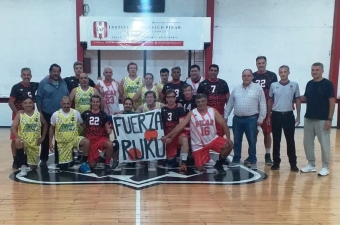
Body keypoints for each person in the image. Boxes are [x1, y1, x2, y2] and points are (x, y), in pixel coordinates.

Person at [161, 94, 234, 174]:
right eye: (198, 102)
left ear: (206, 101)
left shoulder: (212, 111)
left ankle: (219, 163)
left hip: (213, 140)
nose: (201, 103)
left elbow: (223, 123)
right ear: (196, 103)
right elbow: (180, 126)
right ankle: (201, 158)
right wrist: (167, 136)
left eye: (203, 101)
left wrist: (228, 138)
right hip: (198, 145)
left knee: (229, 145)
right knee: (200, 168)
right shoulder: (192, 113)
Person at [224, 69, 266, 170]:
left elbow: (263, 105)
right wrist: (225, 116)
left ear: (252, 77)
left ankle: (252, 159)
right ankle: (236, 158)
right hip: (237, 119)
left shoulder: (258, 89)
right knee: (237, 141)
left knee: (252, 141)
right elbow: (230, 104)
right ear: (242, 77)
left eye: (248, 76)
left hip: (251, 119)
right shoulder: (236, 89)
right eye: (244, 76)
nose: (246, 77)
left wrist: (261, 118)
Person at [300, 62, 335, 176]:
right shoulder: (309, 84)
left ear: (322, 71)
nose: (314, 72)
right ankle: (311, 164)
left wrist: (329, 119)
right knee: (307, 143)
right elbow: (305, 98)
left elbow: (332, 101)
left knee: (324, 143)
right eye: (312, 70)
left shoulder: (327, 84)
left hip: (323, 119)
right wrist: (294, 96)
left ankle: (325, 167)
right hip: (309, 118)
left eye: (317, 70)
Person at [268, 65, 300, 171]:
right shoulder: (273, 85)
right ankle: (276, 162)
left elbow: (298, 100)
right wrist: (269, 115)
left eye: (285, 71)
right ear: (279, 73)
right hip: (276, 115)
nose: (283, 74)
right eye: (281, 72)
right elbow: (270, 100)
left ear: (288, 72)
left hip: (288, 116)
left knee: (290, 140)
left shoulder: (294, 85)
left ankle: (293, 164)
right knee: (276, 140)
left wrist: (298, 116)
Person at [36, 64, 69, 168]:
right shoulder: (43, 83)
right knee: (45, 138)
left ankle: (59, 160)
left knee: (60, 138)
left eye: (58, 71)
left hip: (60, 115)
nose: (56, 73)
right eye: (54, 71)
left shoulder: (63, 83)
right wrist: (41, 113)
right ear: (50, 72)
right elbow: (38, 98)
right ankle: (44, 159)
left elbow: (66, 97)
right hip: (46, 114)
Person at [49, 96, 91, 172]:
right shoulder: (55, 115)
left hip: (74, 139)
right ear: (61, 103)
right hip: (63, 143)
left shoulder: (75, 113)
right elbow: (51, 128)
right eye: (64, 104)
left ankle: (84, 163)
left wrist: (89, 134)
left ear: (71, 103)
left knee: (86, 142)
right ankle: (70, 158)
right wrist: (50, 143)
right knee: (63, 167)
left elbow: (82, 125)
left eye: (68, 103)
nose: (66, 105)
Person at [8, 68, 39, 169]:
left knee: (30, 136)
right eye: (24, 75)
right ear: (21, 76)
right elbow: (11, 102)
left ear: (31, 76)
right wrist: (18, 113)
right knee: (15, 139)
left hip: (30, 116)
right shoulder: (16, 87)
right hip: (19, 115)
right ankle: (15, 159)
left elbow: (44, 83)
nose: (26, 76)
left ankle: (25, 158)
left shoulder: (34, 85)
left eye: (28, 75)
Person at [10, 97, 48, 176]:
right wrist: (17, 137)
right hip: (23, 140)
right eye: (26, 103)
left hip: (34, 142)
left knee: (33, 167)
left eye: (30, 103)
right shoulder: (20, 114)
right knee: (18, 143)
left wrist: (43, 137)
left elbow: (45, 125)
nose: (28, 105)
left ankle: (27, 161)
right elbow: (13, 127)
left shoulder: (38, 114)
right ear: (23, 105)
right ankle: (23, 166)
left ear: (33, 104)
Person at [252, 56, 278, 166]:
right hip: (255, 109)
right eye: (259, 63)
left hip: (268, 108)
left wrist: (272, 109)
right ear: (256, 64)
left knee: (267, 132)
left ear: (266, 63)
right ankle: (252, 154)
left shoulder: (272, 75)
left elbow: (275, 92)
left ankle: (268, 155)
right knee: (253, 133)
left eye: (263, 63)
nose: (261, 65)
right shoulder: (252, 76)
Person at [81, 95, 113, 173]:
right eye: (93, 102)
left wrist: (108, 130)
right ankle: (99, 158)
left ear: (100, 103)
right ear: (91, 103)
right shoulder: (85, 114)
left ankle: (107, 164)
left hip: (100, 139)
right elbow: (82, 125)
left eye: (97, 102)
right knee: (92, 165)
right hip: (90, 141)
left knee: (110, 144)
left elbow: (106, 125)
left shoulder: (103, 114)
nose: (95, 103)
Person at [197, 64, 230, 137]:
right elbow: (198, 100)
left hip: (220, 114)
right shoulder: (203, 84)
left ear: (218, 72)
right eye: (211, 70)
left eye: (215, 71)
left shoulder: (223, 83)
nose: (213, 72)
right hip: (206, 115)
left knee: (219, 136)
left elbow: (228, 99)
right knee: (207, 136)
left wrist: (226, 114)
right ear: (208, 71)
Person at [161, 89, 189, 173]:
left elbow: (180, 127)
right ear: (166, 99)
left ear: (175, 98)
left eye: (172, 97)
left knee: (184, 139)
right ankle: (174, 157)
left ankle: (183, 163)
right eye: (168, 97)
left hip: (177, 136)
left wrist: (171, 137)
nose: (170, 99)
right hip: (167, 137)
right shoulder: (162, 110)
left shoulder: (180, 109)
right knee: (171, 163)